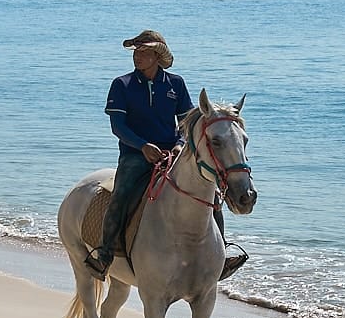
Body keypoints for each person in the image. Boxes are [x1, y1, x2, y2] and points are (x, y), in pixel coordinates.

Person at [84, 30, 246, 282]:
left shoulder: (175, 84)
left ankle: (221, 254)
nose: (138, 56)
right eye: (136, 51)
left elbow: (187, 123)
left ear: (157, 56)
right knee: (122, 192)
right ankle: (104, 253)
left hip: (173, 152)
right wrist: (142, 146)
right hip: (135, 154)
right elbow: (118, 126)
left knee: (211, 193)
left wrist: (180, 145)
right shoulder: (122, 84)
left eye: (144, 51)